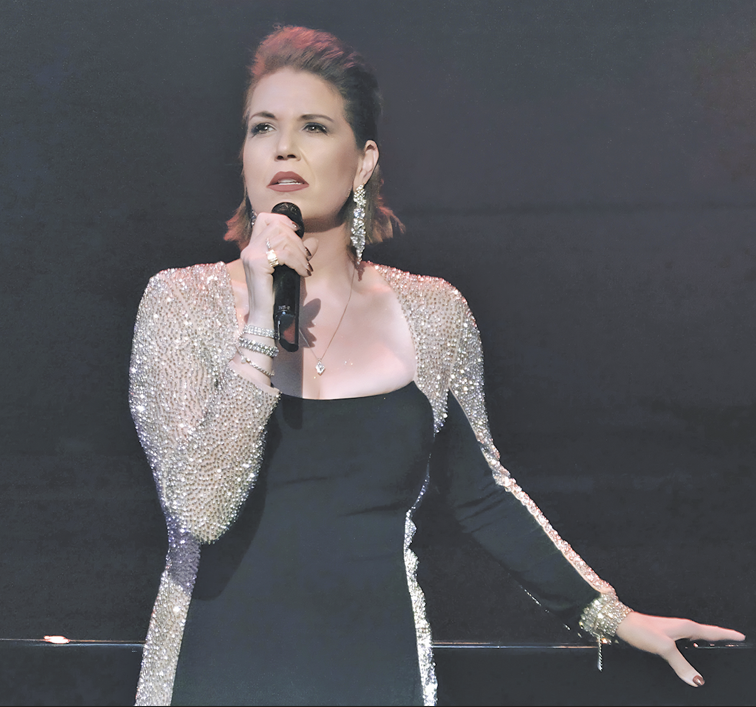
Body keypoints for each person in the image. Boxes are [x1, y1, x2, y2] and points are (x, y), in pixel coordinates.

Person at [129, 26, 744, 707]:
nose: (283, 147)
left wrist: (614, 616)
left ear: (362, 162)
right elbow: (200, 510)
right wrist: (262, 327)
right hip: (216, 675)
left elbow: (482, 493)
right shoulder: (180, 301)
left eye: (314, 127)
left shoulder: (433, 312)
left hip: (376, 674)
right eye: (262, 127)